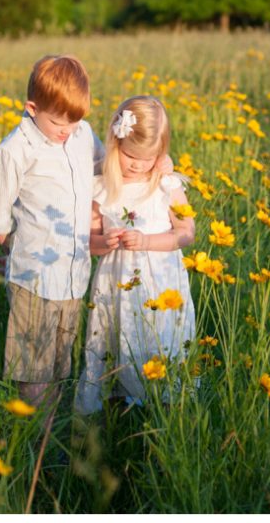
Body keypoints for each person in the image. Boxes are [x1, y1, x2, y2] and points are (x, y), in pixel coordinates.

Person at [0, 54, 104, 413]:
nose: (67, 129)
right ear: (32, 108)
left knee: (60, 364)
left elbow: (99, 169)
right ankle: (37, 441)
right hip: (35, 279)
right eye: (57, 121)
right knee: (33, 368)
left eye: (75, 120)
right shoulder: (15, 150)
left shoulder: (82, 135)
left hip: (73, 275)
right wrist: (18, 252)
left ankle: (54, 438)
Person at [75, 96, 196, 415]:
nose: (138, 165)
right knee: (116, 339)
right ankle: (114, 413)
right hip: (117, 285)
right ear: (115, 145)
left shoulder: (166, 184)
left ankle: (167, 414)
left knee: (160, 342)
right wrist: (105, 241)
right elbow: (89, 240)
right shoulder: (102, 187)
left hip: (162, 286)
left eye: (148, 158)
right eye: (130, 156)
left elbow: (186, 232)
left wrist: (146, 240)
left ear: (161, 153)